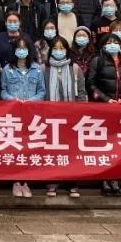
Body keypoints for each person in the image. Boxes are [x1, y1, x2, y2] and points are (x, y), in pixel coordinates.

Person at [0, 36, 45, 198]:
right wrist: (13, 100)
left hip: (31, 115)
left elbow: (42, 91)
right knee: (14, 147)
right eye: (19, 48)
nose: (21, 51)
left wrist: (31, 101)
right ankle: (15, 181)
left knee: (28, 148)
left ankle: (25, 181)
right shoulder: (7, 69)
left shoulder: (37, 69)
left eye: (24, 48)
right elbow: (3, 91)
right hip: (13, 115)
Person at [87, 33, 121, 196]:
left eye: (115, 42)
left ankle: (115, 178)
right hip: (103, 109)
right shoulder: (97, 61)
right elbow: (91, 84)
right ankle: (105, 179)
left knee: (118, 145)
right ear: (103, 45)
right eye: (109, 42)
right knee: (104, 145)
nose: (112, 44)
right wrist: (106, 100)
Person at [43, 35, 86, 198]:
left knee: (71, 150)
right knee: (52, 150)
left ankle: (72, 183)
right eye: (55, 48)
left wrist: (79, 112)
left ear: (67, 50)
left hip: (71, 117)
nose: (58, 51)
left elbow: (81, 92)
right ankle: (52, 182)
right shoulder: (44, 68)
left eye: (62, 48)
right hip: (50, 117)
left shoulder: (74, 68)